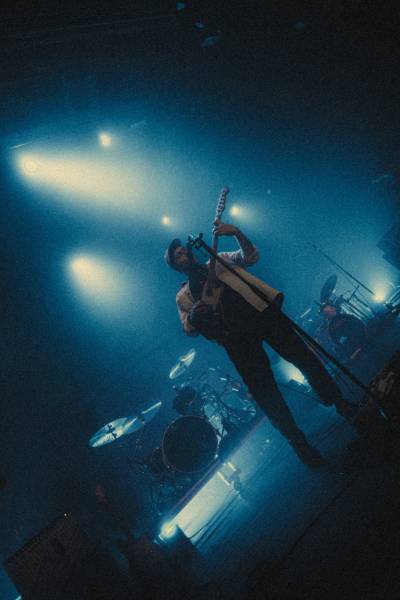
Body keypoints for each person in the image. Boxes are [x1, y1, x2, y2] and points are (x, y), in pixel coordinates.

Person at [164, 223, 358, 467]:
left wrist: (237, 233)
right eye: (178, 255)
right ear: (175, 266)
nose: (184, 253)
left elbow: (250, 257)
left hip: (262, 314)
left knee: (305, 359)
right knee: (266, 393)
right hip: (235, 339)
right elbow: (188, 329)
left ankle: (340, 402)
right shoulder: (182, 296)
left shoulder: (217, 260)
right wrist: (193, 317)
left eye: (183, 250)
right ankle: (298, 442)